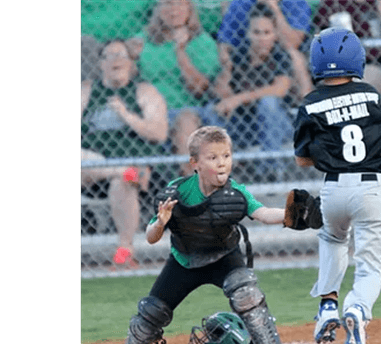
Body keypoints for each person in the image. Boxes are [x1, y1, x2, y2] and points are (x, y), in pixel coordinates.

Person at [98, 126, 299, 344]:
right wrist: (161, 222)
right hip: (185, 262)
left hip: (225, 257)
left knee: (247, 296)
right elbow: (150, 236)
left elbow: (261, 213)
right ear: (195, 163)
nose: (221, 163)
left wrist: (288, 214)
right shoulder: (178, 190)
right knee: (150, 312)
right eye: (213, 157)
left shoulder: (235, 191)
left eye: (226, 156)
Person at [292, 28, 381, 344]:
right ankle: (357, 307)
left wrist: (328, 155)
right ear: (357, 60)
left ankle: (327, 307)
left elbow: (302, 159)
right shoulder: (370, 94)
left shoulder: (310, 102)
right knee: (369, 267)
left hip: (333, 186)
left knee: (333, 239)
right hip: (370, 186)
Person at [80, 39, 169, 267]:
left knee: (122, 181)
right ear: (100, 64)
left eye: (121, 55)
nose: (115, 60)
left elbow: (159, 133)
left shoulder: (143, 91)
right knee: (112, 170)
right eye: (108, 56)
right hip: (91, 169)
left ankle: (125, 250)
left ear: (131, 63)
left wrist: (126, 114)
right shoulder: (87, 90)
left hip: (135, 164)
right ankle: (122, 170)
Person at [202, 2, 294, 180]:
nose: (261, 38)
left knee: (268, 102)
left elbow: (280, 89)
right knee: (211, 110)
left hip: (278, 126)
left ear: (275, 34)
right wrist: (227, 70)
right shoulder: (239, 55)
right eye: (256, 32)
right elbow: (223, 94)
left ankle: (270, 169)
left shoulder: (280, 55)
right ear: (248, 33)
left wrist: (239, 98)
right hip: (244, 126)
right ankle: (220, 171)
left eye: (267, 32)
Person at [133, 0, 221, 176]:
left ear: (190, 9)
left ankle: (193, 187)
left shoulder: (202, 41)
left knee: (185, 119)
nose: (173, 10)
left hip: (190, 111)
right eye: (167, 4)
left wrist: (180, 51)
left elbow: (199, 89)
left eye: (180, 4)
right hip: (150, 112)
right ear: (157, 9)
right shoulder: (142, 41)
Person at [217, 0, 314, 101]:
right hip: (249, 52)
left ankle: (306, 103)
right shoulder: (240, 3)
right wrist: (227, 63)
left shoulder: (297, 3)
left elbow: (292, 44)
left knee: (295, 56)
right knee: (227, 60)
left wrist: (273, 7)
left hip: (281, 54)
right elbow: (225, 42)